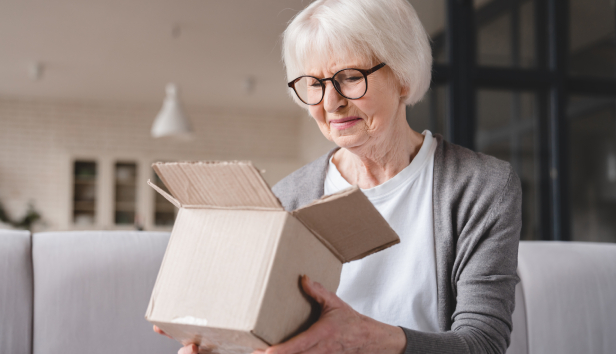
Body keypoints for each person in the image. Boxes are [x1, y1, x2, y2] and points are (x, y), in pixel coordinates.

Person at [155, 0, 522, 353]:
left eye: (350, 77)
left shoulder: (481, 186)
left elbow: (483, 344)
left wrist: (367, 340)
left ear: (403, 78)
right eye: (314, 84)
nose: (331, 102)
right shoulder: (288, 199)